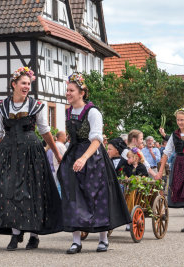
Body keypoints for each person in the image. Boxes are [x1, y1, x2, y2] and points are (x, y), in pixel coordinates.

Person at [0, 66, 63, 251]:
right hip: (8, 153)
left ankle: (34, 235)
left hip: (31, 152)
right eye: (23, 83)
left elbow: (44, 131)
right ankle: (15, 233)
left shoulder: (36, 105)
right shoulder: (1, 106)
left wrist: (57, 153)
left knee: (33, 191)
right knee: (9, 191)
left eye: (29, 83)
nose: (27, 86)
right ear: (14, 84)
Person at [58, 72, 130, 254]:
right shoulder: (67, 112)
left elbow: (96, 140)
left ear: (82, 92)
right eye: (67, 90)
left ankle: (103, 238)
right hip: (74, 154)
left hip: (93, 157)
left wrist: (83, 158)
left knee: (97, 196)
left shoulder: (93, 112)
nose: (68, 93)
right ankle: (76, 241)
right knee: (72, 196)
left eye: (71, 90)